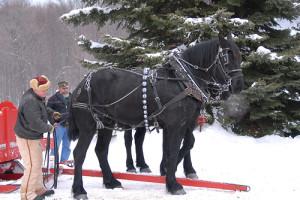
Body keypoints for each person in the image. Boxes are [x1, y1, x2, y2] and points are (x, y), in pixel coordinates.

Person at [14, 75, 62, 200]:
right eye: (44, 90)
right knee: (31, 166)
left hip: (33, 136)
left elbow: (42, 108)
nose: (46, 92)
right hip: (27, 137)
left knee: (37, 163)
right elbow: (35, 123)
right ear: (36, 89)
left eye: (47, 89)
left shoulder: (36, 96)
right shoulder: (30, 101)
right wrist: (49, 128)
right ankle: (27, 194)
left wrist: (51, 113)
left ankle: (38, 189)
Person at [47, 81, 72, 163]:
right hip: (58, 125)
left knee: (67, 146)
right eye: (63, 88)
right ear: (59, 89)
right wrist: (52, 122)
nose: (65, 90)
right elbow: (48, 112)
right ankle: (53, 163)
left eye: (66, 88)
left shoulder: (71, 97)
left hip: (69, 126)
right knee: (55, 145)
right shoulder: (53, 99)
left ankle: (63, 162)